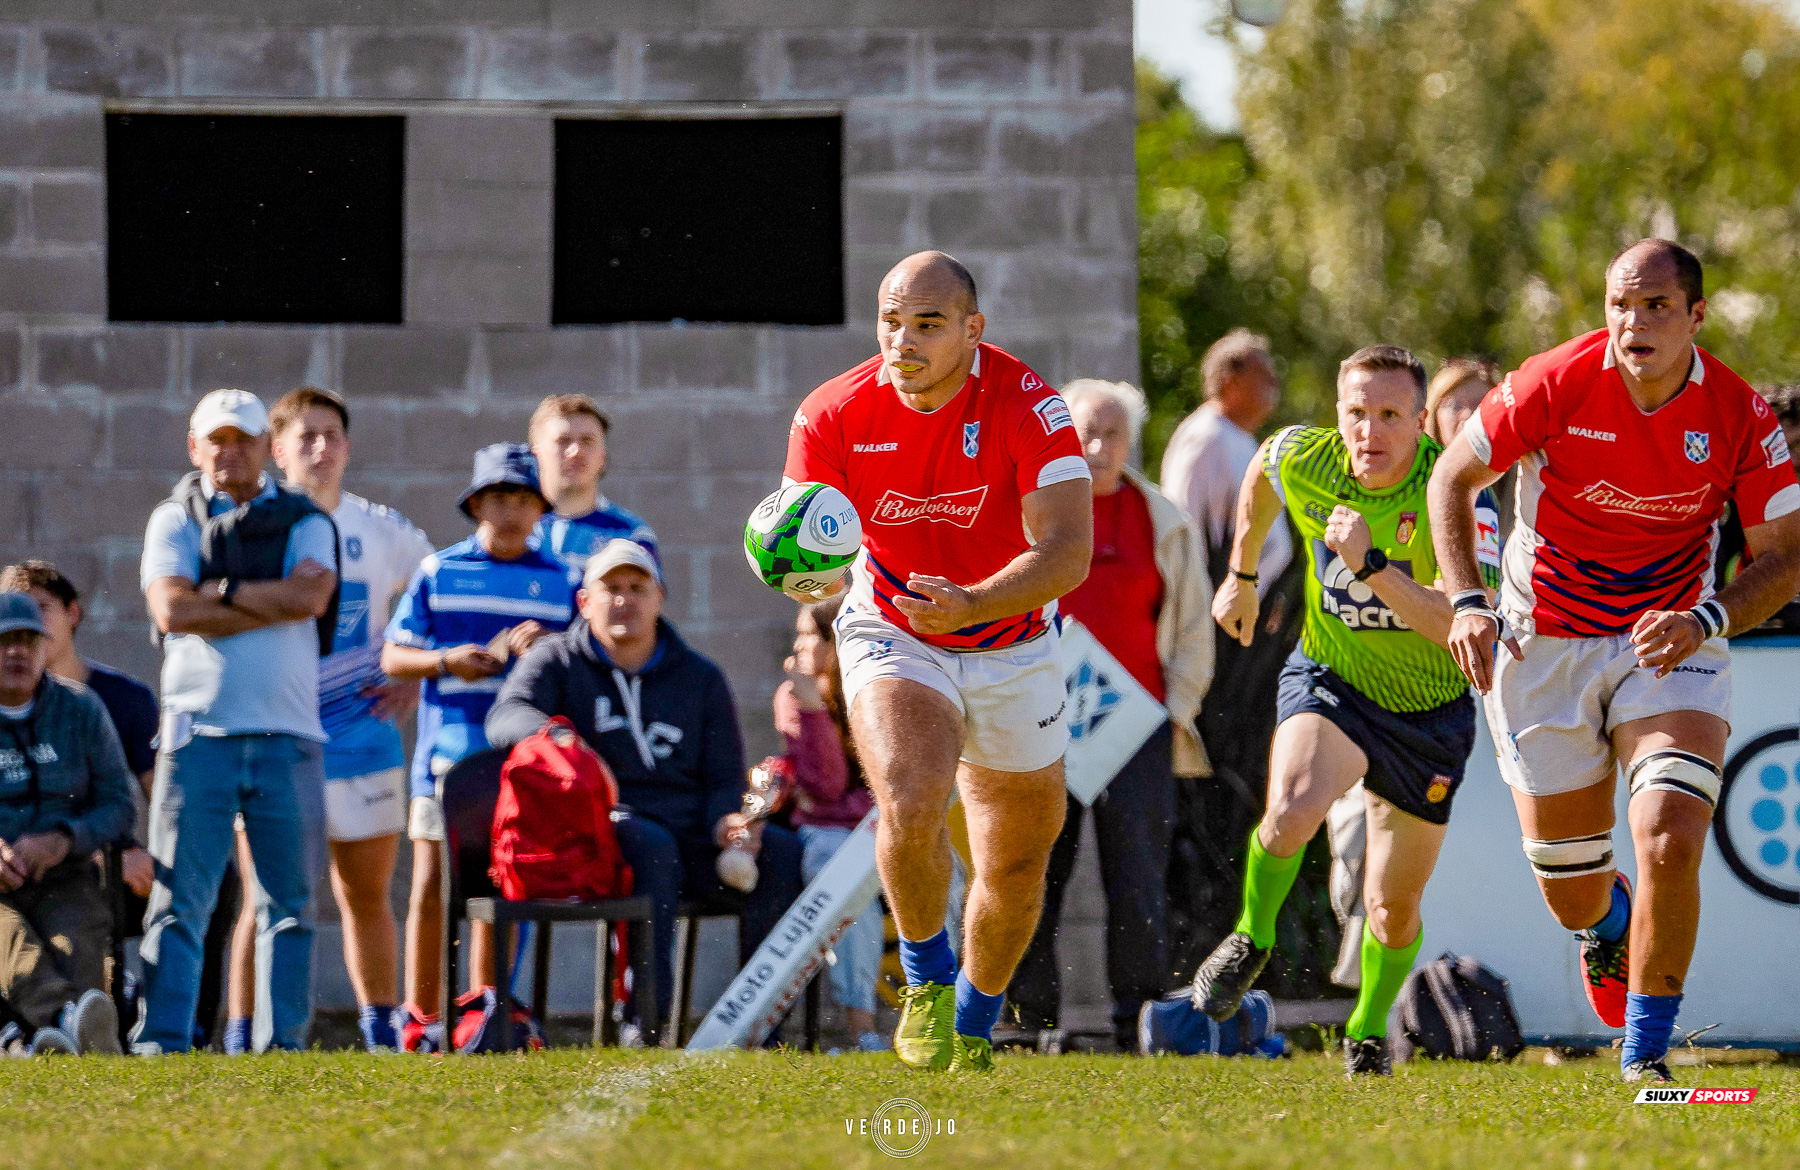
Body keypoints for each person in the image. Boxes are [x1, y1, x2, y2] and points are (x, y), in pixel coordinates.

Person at [1429, 239, 1800, 1084]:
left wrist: (1708, 617)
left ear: (1696, 316)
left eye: (1657, 307)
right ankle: (1605, 926)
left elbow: (1785, 556)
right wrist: (1467, 601)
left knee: (1669, 836)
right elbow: (1453, 478)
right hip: (1543, 643)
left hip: (1670, 644)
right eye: (1620, 304)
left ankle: (1646, 1053)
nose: (1634, 323)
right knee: (1571, 887)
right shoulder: (1555, 380)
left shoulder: (1740, 413)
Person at [782, 250, 1093, 1072]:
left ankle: (975, 1017)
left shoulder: (1033, 405)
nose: (904, 339)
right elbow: (801, 538)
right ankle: (924, 982)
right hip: (894, 631)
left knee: (1018, 858)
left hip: (1015, 643)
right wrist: (789, 567)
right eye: (892, 321)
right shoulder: (829, 414)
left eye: (927, 324)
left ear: (972, 330)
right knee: (911, 798)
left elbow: (1068, 553)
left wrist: (974, 601)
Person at [1161, 346, 1503, 1076]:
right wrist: (1242, 576)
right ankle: (1253, 937)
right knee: (1290, 806)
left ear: (1420, 423)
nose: (1369, 432)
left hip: (1426, 713)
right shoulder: (1306, 457)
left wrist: (1369, 563)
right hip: (1333, 679)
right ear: (1337, 414)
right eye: (1356, 413)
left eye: (1388, 416)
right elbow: (1262, 473)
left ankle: (1369, 1031)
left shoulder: (1456, 494)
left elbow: (1454, 624)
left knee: (1391, 909)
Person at [486, 539, 804, 1039]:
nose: (624, 599)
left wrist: (727, 820)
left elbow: (723, 776)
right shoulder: (556, 661)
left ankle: (762, 1022)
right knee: (651, 847)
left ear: (659, 599)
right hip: (604, 828)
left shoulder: (701, 677)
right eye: (610, 588)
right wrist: (565, 740)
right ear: (584, 602)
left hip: (691, 829)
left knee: (782, 853)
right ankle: (645, 1023)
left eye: (638, 587)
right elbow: (505, 716)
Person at [1005, 378, 1215, 1054]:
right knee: (1033, 870)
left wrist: (1172, 711)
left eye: (1112, 433)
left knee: (1138, 880)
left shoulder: (1163, 519)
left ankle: (1138, 1022)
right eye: (1084, 433)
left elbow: (1191, 630)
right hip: (1041, 726)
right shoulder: (1031, 512)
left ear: (1132, 441)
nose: (1097, 447)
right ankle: (1027, 1022)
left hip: (1139, 730)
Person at [220, 388, 434, 1054]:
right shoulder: (251, 523)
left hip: (361, 736)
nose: (321, 446)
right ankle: (242, 1041)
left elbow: (437, 595)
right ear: (277, 450)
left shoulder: (384, 529)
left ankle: (382, 1037)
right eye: (305, 435)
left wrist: (415, 675)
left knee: (366, 895)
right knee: (266, 899)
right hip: (274, 739)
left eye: (332, 434)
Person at [134, 388, 339, 1055]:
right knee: (180, 903)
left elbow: (310, 597)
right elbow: (172, 611)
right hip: (197, 737)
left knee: (291, 906)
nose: (231, 452)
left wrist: (216, 591)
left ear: (266, 448)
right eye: (217, 439)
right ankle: (162, 1040)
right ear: (195, 447)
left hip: (288, 737)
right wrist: (264, 602)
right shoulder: (173, 518)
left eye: (244, 439)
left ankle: (285, 1047)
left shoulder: (306, 518)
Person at [381, 442, 572, 1051]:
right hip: (445, 757)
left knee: (505, 883)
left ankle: (485, 1006)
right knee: (432, 880)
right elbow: (392, 656)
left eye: (520, 497)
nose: (509, 510)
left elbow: (581, 665)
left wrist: (547, 645)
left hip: (521, 764)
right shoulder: (439, 571)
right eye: (496, 497)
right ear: (475, 504)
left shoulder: (561, 582)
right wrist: (445, 661)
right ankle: (421, 1015)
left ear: (539, 507)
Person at [0, 591, 135, 1056]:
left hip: (67, 878)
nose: (16, 652)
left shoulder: (81, 710)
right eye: (4, 642)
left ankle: (39, 1040)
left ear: (45, 647)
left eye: (27, 641)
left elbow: (120, 805)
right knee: (13, 946)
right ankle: (63, 1021)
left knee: (79, 959)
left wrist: (64, 839)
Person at [0, 562, 156, 901]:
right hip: (13, 872)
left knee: (211, 880)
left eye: (38, 610)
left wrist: (107, 852)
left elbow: (146, 800)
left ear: (72, 613)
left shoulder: (94, 704)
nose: (17, 650)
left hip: (83, 861)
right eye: (6, 636)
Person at [776, 593, 884, 1051]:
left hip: (879, 827)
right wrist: (814, 712)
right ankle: (862, 1031)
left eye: (808, 635)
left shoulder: (873, 690)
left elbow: (886, 777)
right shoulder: (794, 695)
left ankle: (957, 1017)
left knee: (952, 879)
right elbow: (824, 787)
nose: (797, 646)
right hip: (825, 834)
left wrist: (862, 810)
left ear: (839, 643)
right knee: (845, 882)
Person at [1159, 328, 1292, 588]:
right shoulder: (1205, 436)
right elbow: (1184, 522)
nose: (1273, 382)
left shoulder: (1240, 437)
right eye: (1261, 374)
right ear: (1231, 380)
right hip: (1214, 600)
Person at [528, 394, 659, 583]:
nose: (576, 451)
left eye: (587, 441)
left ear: (603, 457)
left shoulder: (631, 535)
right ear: (535, 456)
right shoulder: (513, 530)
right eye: (563, 440)